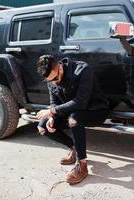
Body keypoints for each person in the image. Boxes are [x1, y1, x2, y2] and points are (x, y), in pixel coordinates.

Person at [36, 55, 109, 184]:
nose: (54, 82)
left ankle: (82, 165)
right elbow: (54, 102)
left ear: (60, 66)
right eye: (49, 80)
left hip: (95, 110)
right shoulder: (51, 79)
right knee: (43, 127)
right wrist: (52, 117)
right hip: (70, 111)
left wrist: (52, 111)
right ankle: (73, 148)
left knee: (74, 119)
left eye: (55, 78)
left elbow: (80, 102)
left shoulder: (82, 70)